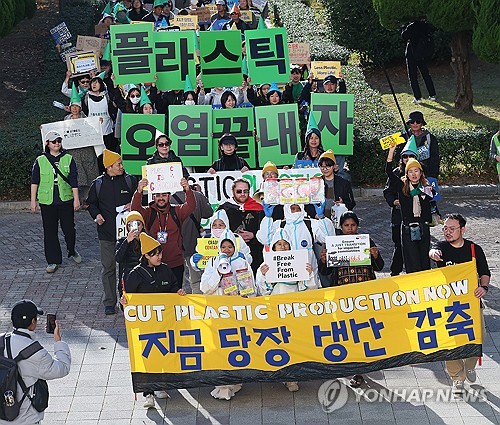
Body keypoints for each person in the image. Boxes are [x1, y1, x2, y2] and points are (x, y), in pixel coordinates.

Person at [318, 211, 384, 387]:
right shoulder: (333, 244)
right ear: (341, 227)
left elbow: (380, 267)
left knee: (361, 330)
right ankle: (349, 364)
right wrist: (323, 261)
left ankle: (360, 368)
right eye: (346, 225)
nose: (349, 229)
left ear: (357, 227)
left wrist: (376, 256)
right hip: (342, 294)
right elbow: (325, 273)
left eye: (353, 225)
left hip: (364, 294)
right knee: (347, 330)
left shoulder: (366, 242)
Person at [428, 213, 490, 393]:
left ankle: (469, 365)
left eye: (452, 229)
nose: (448, 232)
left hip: (471, 303)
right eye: (445, 228)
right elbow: (432, 251)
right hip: (448, 304)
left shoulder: (474, 249)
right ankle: (457, 377)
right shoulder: (441, 248)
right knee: (451, 341)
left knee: (479, 337)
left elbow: (484, 272)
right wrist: (433, 253)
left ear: (463, 230)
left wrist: (484, 287)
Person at [123, 233, 185, 408]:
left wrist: (178, 292)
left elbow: (173, 286)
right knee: (148, 356)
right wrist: (124, 303)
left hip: (165, 322)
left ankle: (160, 386)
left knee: (164, 353)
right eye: (154, 254)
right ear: (146, 256)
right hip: (146, 325)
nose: (159, 257)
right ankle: (148, 392)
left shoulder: (166, 269)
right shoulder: (136, 274)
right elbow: (128, 298)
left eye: (160, 253)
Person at [200, 230, 256, 400]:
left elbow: (250, 286)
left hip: (237, 311)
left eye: (229, 246)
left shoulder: (241, 262)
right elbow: (204, 288)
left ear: (234, 246)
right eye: (223, 246)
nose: (226, 249)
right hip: (218, 311)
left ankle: (235, 380)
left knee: (236, 344)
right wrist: (219, 272)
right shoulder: (212, 262)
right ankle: (222, 383)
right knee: (220, 345)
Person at [0, 300, 71, 425]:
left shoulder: (1, 341)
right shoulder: (35, 351)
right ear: (33, 322)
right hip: (25, 418)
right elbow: (62, 368)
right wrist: (58, 342)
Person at [86, 149, 137, 315]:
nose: (121, 166)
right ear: (108, 167)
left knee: (127, 268)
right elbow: (91, 204)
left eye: (121, 163)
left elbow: (140, 200)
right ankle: (109, 302)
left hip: (127, 235)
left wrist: (132, 204)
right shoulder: (98, 184)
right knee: (108, 267)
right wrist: (97, 215)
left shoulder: (130, 181)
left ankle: (125, 299)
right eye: (118, 164)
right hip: (106, 233)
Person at [31, 131, 81, 274]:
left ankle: (71, 250)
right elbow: (35, 181)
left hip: (65, 199)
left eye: (59, 141)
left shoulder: (68, 158)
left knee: (69, 229)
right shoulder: (40, 160)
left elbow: (73, 179)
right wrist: (33, 200)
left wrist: (76, 198)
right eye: (54, 141)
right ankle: (53, 260)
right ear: (47, 143)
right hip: (47, 201)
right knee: (50, 231)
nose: (57, 143)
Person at [131, 176, 196, 286]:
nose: (161, 198)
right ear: (153, 196)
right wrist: (139, 191)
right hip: (154, 264)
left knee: (176, 296)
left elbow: (191, 206)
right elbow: (135, 210)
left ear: (169, 196)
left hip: (175, 263)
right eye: (158, 195)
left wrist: (187, 190)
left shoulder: (177, 211)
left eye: (164, 195)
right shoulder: (149, 212)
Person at [385, 144, 433, 273]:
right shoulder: (402, 186)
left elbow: (431, 200)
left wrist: (426, 192)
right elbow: (389, 172)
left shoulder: (426, 186)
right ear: (406, 173)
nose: (413, 174)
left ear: (421, 172)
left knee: (424, 260)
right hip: (407, 227)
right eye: (410, 171)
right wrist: (391, 152)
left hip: (423, 225)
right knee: (411, 261)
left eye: (416, 170)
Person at [169, 186, 213, 294]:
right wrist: (202, 196)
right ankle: (198, 305)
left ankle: (178, 305)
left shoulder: (167, 197)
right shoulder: (197, 196)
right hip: (193, 241)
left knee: (175, 280)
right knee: (196, 279)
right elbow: (208, 213)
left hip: (173, 244)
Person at [216, 178, 264, 275]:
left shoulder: (258, 207)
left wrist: (254, 235)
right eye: (239, 191)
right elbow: (217, 231)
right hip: (233, 254)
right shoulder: (224, 208)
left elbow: (264, 230)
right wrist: (233, 237)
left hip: (255, 251)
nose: (242, 194)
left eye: (245, 191)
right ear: (233, 191)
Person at [383, 143, 417, 276]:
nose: (407, 159)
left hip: (415, 217)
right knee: (399, 244)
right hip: (399, 215)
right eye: (405, 157)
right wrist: (393, 201)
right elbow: (388, 190)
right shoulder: (397, 173)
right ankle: (395, 272)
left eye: (411, 156)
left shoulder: (420, 174)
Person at [64, 83, 99, 205]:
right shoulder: (65, 120)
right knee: (76, 174)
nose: (74, 108)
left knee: (89, 174)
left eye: (76, 106)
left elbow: (94, 131)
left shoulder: (87, 119)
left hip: (86, 150)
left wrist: (97, 123)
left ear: (80, 107)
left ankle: (88, 199)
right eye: (72, 106)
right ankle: (76, 199)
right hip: (73, 151)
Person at [404, 110, 441, 223]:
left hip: (426, 174)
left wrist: (433, 175)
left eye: (418, 122)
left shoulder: (430, 138)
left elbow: (435, 157)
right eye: (412, 122)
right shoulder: (404, 137)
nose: (415, 124)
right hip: (409, 176)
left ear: (422, 123)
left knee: (428, 199)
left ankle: (431, 218)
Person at [305, 150, 355, 220]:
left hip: (338, 220)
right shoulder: (315, 183)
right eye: (322, 167)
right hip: (319, 221)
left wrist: (342, 204)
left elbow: (351, 203)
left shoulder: (344, 183)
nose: (325, 169)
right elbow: (308, 202)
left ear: (334, 166)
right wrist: (315, 214)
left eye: (327, 167)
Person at [401, 20, 437, 104]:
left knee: (413, 76)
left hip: (412, 53)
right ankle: (432, 94)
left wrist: (403, 27)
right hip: (422, 53)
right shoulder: (424, 25)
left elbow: (404, 36)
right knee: (426, 74)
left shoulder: (411, 26)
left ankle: (417, 97)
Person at [115, 211, 145, 299]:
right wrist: (127, 241)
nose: (136, 227)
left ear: (142, 225)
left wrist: (141, 240)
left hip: (143, 278)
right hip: (128, 278)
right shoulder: (122, 241)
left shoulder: (147, 239)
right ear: (127, 227)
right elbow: (118, 258)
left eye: (138, 224)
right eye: (131, 224)